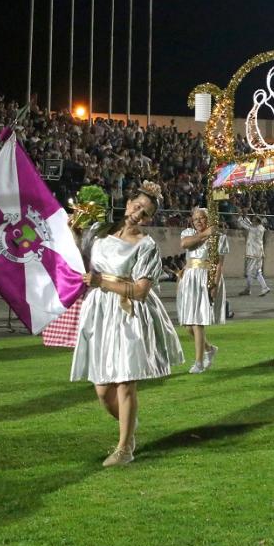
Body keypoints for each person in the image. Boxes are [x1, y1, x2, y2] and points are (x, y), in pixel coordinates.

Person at [70, 182, 183, 467]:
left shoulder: (147, 246)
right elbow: (81, 262)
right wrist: (74, 231)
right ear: (129, 202)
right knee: (102, 389)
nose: (137, 214)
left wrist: (102, 283)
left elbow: (142, 291)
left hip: (128, 313)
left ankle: (124, 449)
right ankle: (129, 429)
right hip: (100, 312)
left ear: (150, 219)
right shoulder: (103, 232)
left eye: (145, 213)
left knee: (125, 383)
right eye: (136, 206)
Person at [176, 207, 228, 373]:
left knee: (198, 322)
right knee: (188, 325)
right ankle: (209, 349)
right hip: (189, 277)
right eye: (196, 218)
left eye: (202, 218)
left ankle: (198, 362)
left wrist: (214, 284)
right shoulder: (188, 232)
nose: (198, 221)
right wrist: (206, 234)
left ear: (209, 219)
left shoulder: (219, 238)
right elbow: (185, 244)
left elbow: (219, 264)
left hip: (204, 277)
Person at [237, 209, 270, 297]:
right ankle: (262, 288)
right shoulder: (259, 227)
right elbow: (250, 224)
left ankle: (252, 289)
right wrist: (245, 216)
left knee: (250, 272)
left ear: (257, 222)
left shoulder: (255, 229)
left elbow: (246, 225)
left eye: (254, 220)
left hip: (253, 254)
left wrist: (241, 217)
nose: (252, 221)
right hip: (258, 253)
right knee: (257, 272)